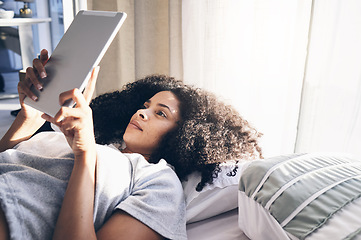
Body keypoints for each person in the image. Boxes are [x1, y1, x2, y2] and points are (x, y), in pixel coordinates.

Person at [0, 49, 262, 239]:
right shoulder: (94, 144)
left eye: (161, 113)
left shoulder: (158, 181)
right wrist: (29, 118)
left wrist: (85, 155)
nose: (141, 113)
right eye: (145, 106)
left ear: (186, 136)